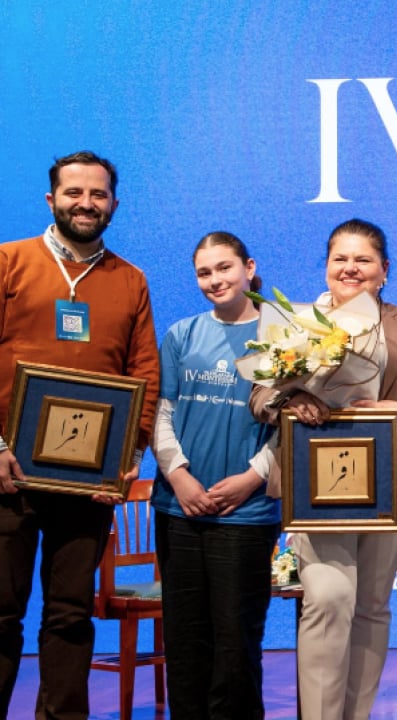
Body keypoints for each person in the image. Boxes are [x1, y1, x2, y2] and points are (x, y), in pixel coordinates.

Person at [250, 218, 397, 720]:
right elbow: (258, 396)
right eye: (340, 258)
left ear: (384, 269)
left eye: (364, 259)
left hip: (389, 482)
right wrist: (290, 399)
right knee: (328, 597)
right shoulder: (294, 323)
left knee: (372, 606)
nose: (351, 268)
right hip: (314, 485)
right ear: (326, 266)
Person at [0, 151, 161, 719]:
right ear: (52, 199)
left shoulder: (130, 280)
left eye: (97, 194)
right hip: (8, 473)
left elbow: (145, 374)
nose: (85, 204)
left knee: (70, 614)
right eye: (74, 193)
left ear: (114, 204)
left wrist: (130, 453)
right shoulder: (8, 261)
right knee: (1, 613)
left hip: (88, 480)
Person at [150, 232, 279, 719]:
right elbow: (161, 413)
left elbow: (292, 424)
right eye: (204, 272)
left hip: (246, 512)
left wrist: (252, 477)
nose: (214, 280)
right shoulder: (181, 334)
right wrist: (179, 477)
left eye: (224, 268)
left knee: (236, 640)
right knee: (185, 640)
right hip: (179, 508)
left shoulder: (283, 336)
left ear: (249, 267)